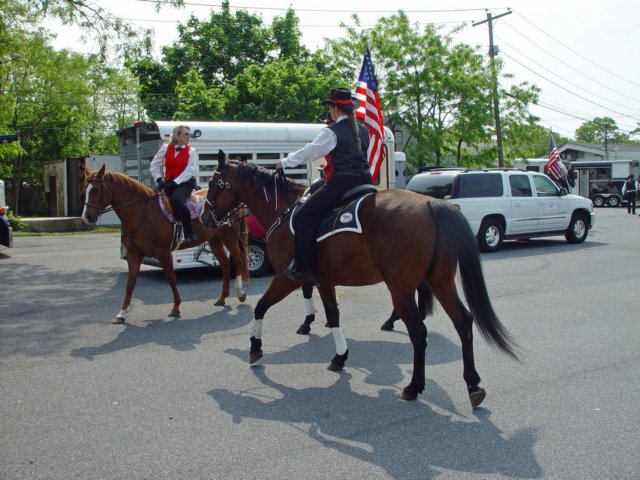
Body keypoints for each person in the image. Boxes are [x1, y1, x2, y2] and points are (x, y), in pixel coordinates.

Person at [276, 88, 372, 283]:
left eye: (330, 108)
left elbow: (309, 151)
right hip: (364, 181)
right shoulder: (363, 130)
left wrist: (284, 162)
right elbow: (356, 157)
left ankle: (306, 269)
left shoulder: (331, 132)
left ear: (335, 109)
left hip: (341, 184)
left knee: (303, 216)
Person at [150, 125, 198, 242]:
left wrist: (174, 183)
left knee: (177, 200)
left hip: (186, 182)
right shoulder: (166, 148)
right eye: (186, 134)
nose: (189, 136)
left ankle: (189, 231)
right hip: (168, 182)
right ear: (178, 135)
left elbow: (189, 170)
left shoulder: (191, 151)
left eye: (189, 134)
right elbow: (154, 165)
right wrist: (159, 180)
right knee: (151, 198)